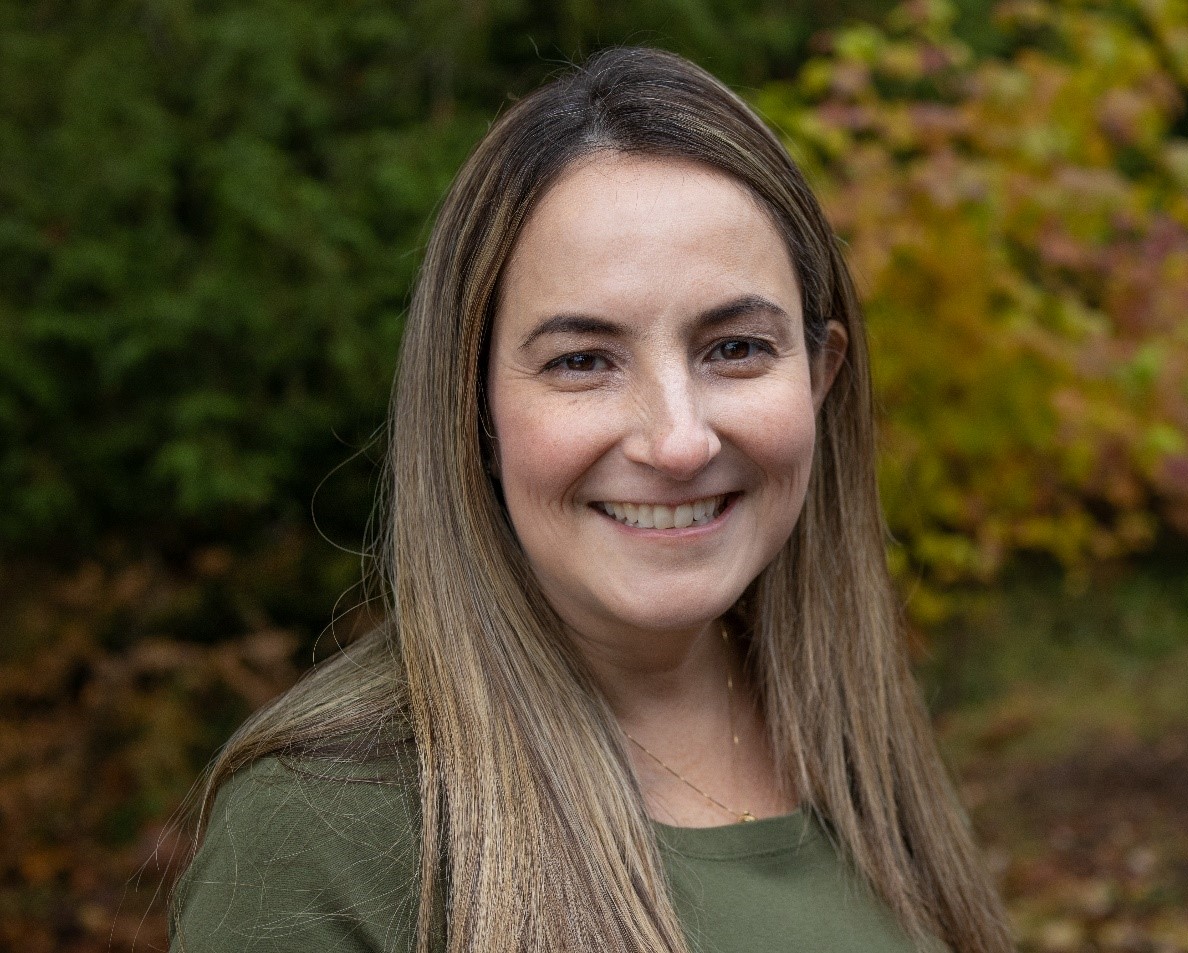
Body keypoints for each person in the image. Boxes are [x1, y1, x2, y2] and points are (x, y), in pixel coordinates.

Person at [167, 46, 1013, 953]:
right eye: (582, 361)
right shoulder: (326, 828)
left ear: (821, 376)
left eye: (734, 347)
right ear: (474, 413)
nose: (679, 439)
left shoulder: (852, 740)